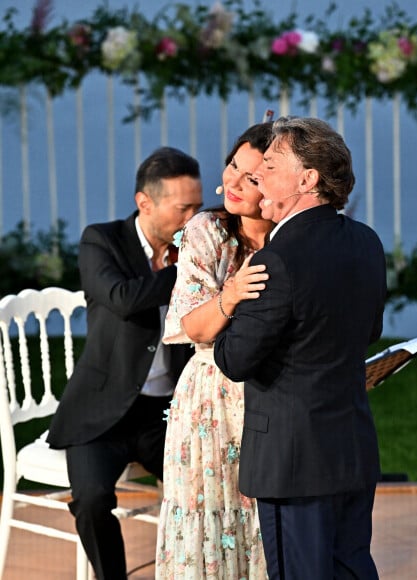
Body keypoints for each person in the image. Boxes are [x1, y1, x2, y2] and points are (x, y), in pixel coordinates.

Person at [213, 116, 387, 579]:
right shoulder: (367, 242)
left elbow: (233, 358)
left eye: (269, 165)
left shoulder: (278, 259)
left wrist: (229, 301)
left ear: (307, 179)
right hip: (351, 450)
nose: (258, 177)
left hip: (293, 465)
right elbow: (369, 331)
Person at [46, 146, 203, 580]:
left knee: (209, 485)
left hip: (165, 415)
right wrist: (189, 268)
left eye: (198, 206)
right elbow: (121, 298)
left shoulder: (188, 244)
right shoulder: (102, 240)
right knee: (93, 500)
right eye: (183, 207)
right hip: (102, 414)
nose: (194, 219)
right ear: (145, 203)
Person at [155, 123, 273, 579]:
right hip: (211, 402)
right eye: (232, 168)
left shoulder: (294, 238)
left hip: (273, 396)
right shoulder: (207, 230)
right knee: (211, 521)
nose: (232, 184)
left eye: (252, 178)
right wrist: (232, 293)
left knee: (269, 520)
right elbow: (191, 326)